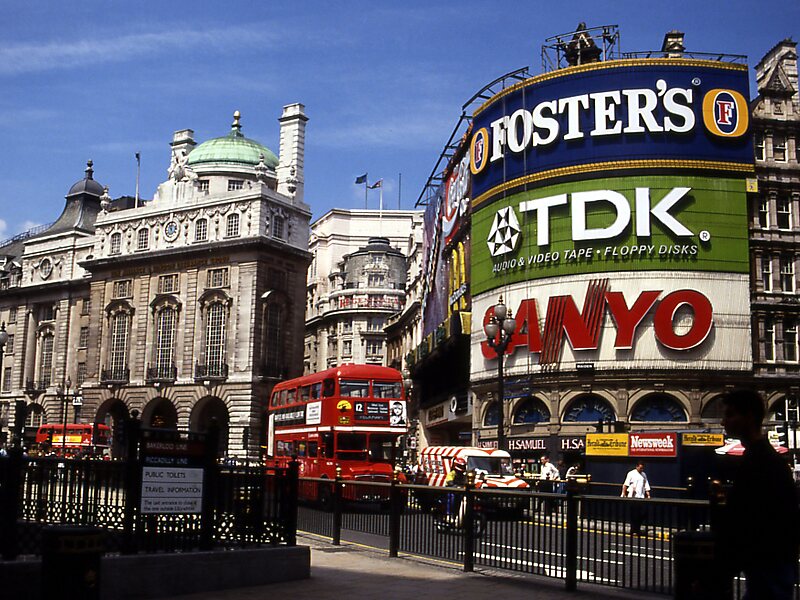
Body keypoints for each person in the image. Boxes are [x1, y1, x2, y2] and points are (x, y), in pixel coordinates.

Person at [718, 388, 800, 600]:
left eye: (730, 415)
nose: (723, 422)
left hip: (768, 561)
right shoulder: (762, 457)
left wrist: (723, 570)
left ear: (750, 417)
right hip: (770, 561)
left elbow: (747, 520)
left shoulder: (759, 462)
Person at [621, 461, 651, 535]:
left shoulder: (644, 474)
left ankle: (636, 529)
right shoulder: (631, 473)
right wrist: (624, 494)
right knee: (634, 514)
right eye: (640, 468)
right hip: (633, 497)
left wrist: (648, 495)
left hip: (641, 497)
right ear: (637, 466)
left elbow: (646, 485)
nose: (641, 469)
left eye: (642, 468)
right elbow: (625, 484)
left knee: (642, 513)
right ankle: (634, 530)